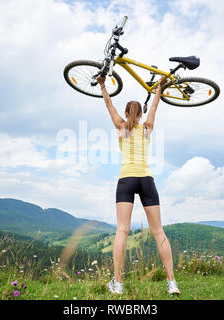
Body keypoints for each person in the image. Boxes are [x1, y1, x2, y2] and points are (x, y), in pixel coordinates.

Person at [96, 75, 180, 295]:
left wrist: (103, 84)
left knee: (122, 231)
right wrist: (160, 87)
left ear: (126, 113)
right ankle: (172, 283)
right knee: (158, 231)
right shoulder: (146, 129)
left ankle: (118, 283)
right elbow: (155, 104)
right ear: (140, 114)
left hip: (126, 180)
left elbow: (108, 103)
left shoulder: (121, 127)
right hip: (146, 180)